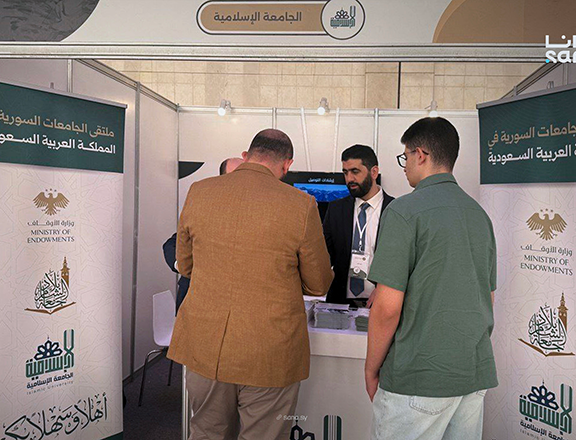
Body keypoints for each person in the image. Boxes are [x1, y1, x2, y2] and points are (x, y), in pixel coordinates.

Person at [168, 129, 333, 440]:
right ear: (287, 164)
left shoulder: (199, 191)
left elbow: (186, 266)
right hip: (268, 351)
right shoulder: (301, 204)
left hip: (205, 345)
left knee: (206, 432)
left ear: (247, 155)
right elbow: (318, 283)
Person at [365, 117, 497, 440]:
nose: (405, 166)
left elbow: (387, 308)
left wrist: (371, 369)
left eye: (405, 157)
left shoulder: (403, 212)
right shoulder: (479, 215)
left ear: (420, 155)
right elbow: (488, 298)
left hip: (418, 377)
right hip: (471, 375)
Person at [162, 157, 243, 312]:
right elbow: (172, 244)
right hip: (194, 298)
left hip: (238, 304)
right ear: (222, 179)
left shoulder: (261, 212)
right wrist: (182, 266)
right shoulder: (204, 206)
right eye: (235, 175)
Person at [322, 145, 394, 307]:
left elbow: (402, 264)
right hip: (339, 304)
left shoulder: (396, 210)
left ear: (374, 172)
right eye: (345, 172)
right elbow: (325, 256)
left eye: (355, 172)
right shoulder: (336, 209)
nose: (349, 179)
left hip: (381, 303)